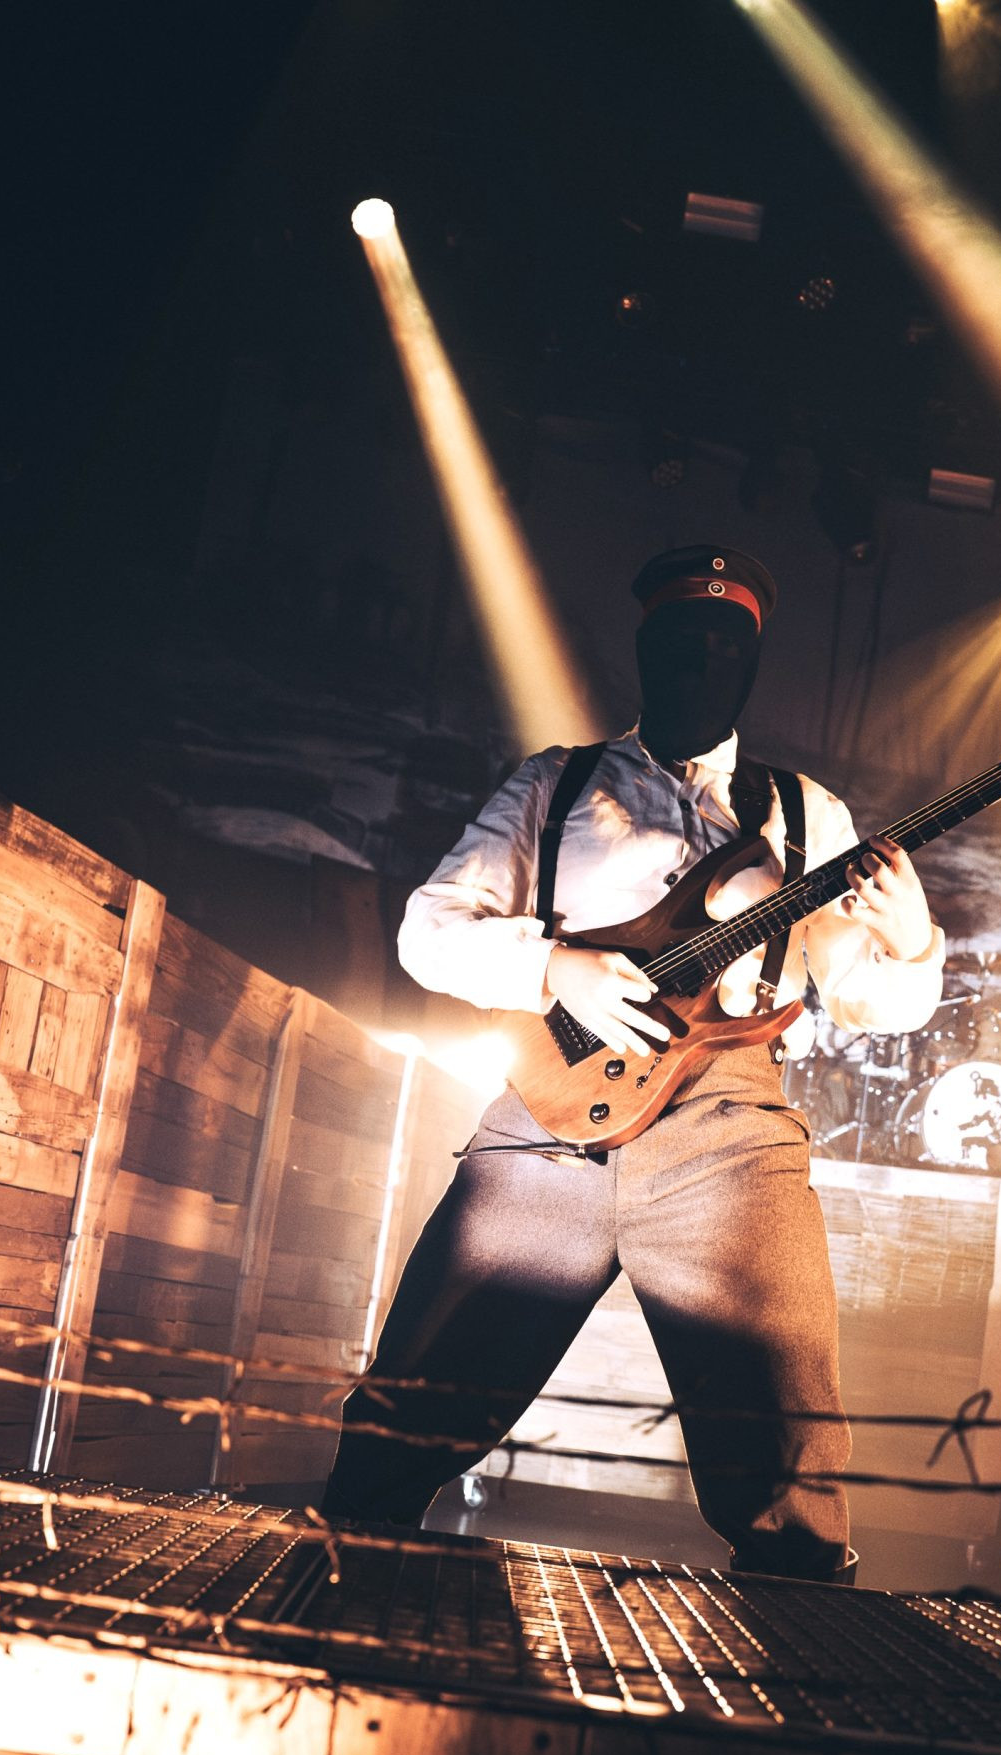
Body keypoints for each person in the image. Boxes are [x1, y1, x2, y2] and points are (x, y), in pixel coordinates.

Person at [323, 544, 944, 1581]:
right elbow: (426, 932)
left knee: (786, 1449)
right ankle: (326, 1605)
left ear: (752, 662)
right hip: (546, 1114)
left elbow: (870, 999)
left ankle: (801, 1660)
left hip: (728, 1129)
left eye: (726, 643)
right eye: (681, 638)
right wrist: (553, 967)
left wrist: (912, 941)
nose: (702, 659)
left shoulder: (807, 816)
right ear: (645, 648)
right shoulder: (555, 783)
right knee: (412, 1401)